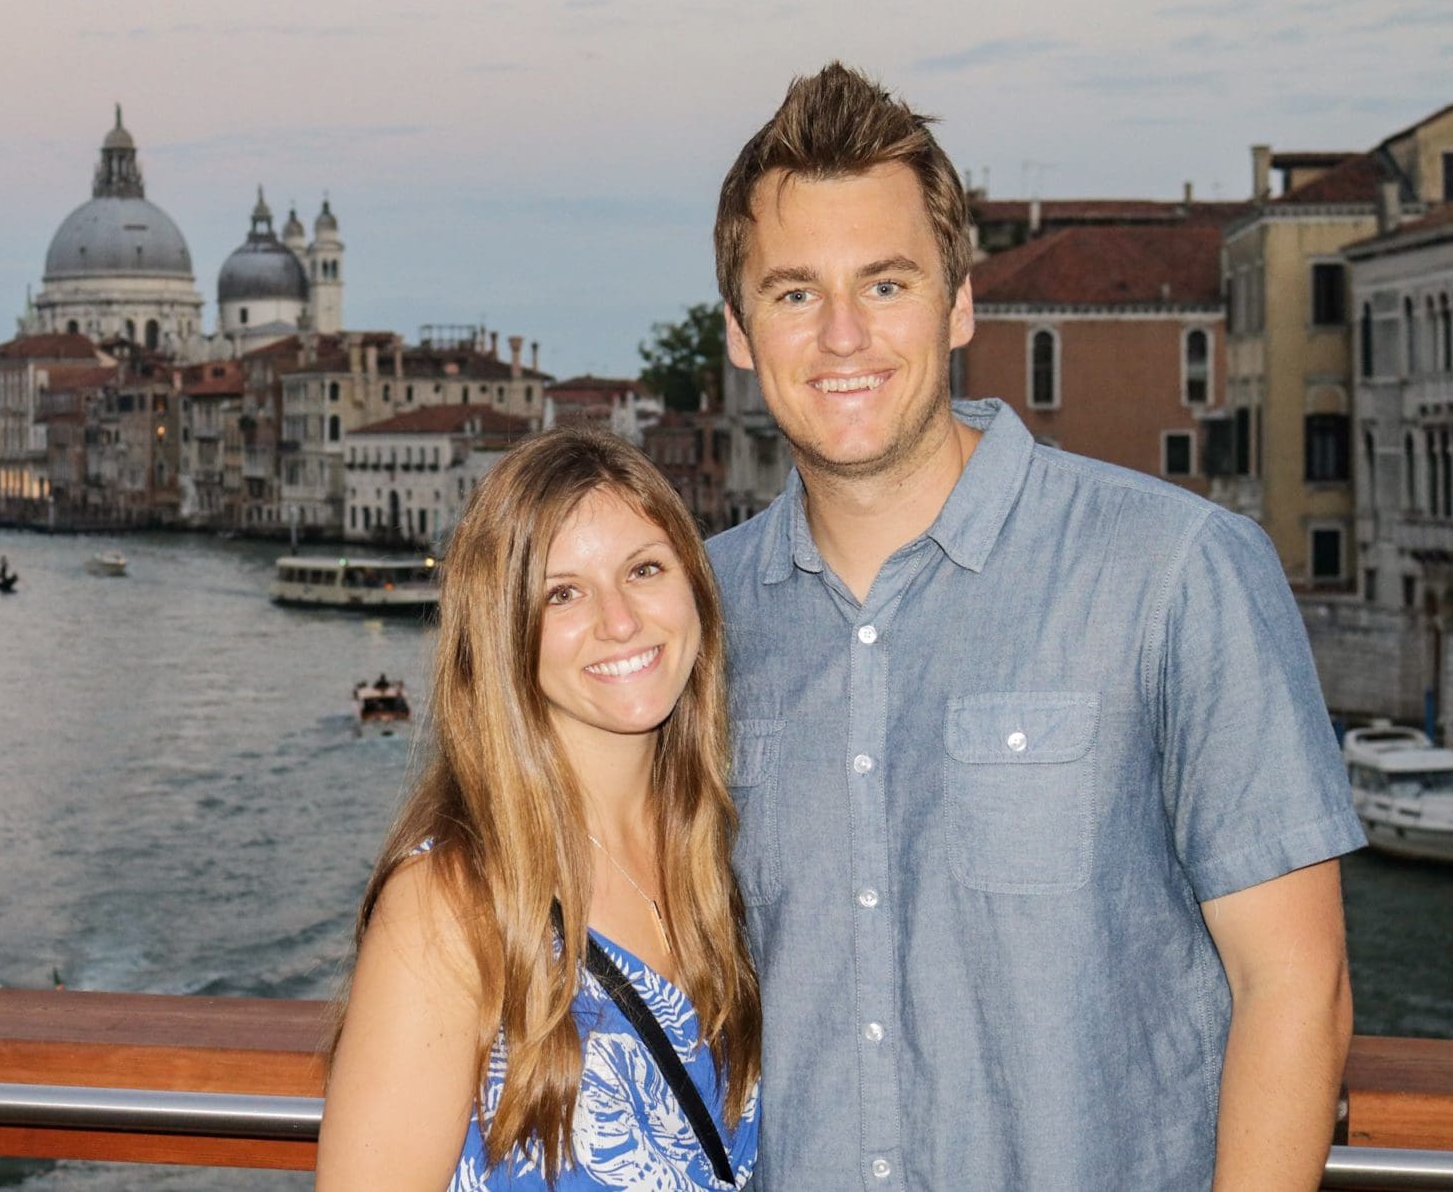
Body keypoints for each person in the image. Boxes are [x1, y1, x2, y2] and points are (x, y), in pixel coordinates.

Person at [706, 62, 1363, 1190]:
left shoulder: (1176, 572)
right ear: (736, 330)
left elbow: (1295, 990)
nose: (842, 336)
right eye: (793, 293)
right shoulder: (693, 622)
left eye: (886, 283)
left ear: (959, 302)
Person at [319, 427, 761, 1189]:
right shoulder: (449, 906)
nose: (619, 621)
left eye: (645, 569)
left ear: (696, 587)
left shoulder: (726, 854)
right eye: (563, 593)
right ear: (502, 635)